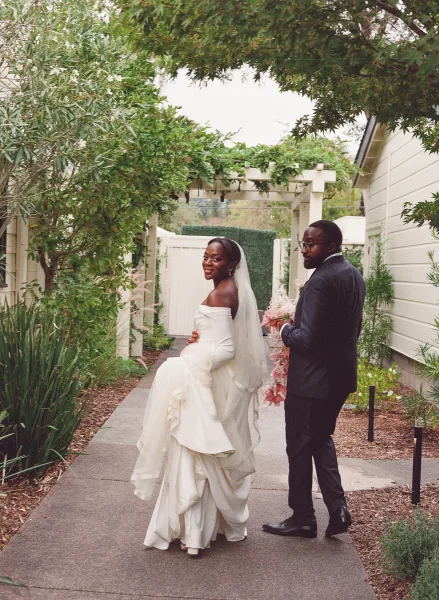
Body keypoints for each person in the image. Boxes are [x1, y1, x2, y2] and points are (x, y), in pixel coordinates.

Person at [131, 237, 266, 556]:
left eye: (215, 259)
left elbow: (226, 350)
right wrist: (200, 340)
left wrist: (189, 354)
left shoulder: (223, 292)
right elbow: (220, 338)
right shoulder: (231, 289)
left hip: (204, 382)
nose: (208, 262)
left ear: (231, 264)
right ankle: (201, 529)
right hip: (211, 380)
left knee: (194, 454)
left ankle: (194, 534)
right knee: (202, 455)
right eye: (205, 257)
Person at [263, 220, 365, 539]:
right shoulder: (354, 275)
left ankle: (303, 518)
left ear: (332, 247)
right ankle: (338, 510)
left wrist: (283, 328)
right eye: (303, 244)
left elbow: (307, 339)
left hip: (311, 383)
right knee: (320, 441)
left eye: (311, 245)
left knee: (299, 446)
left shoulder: (321, 280)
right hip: (339, 378)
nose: (305, 250)